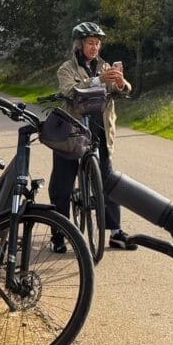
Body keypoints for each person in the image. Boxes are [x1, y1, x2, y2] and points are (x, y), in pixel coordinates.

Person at [47, 22, 136, 252]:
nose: (94, 47)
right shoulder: (66, 68)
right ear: (79, 45)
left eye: (97, 43)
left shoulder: (104, 66)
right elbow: (70, 91)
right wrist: (99, 81)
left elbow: (125, 91)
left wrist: (120, 82)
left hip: (99, 130)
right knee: (62, 185)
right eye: (90, 43)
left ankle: (116, 232)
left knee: (108, 179)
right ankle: (59, 233)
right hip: (73, 132)